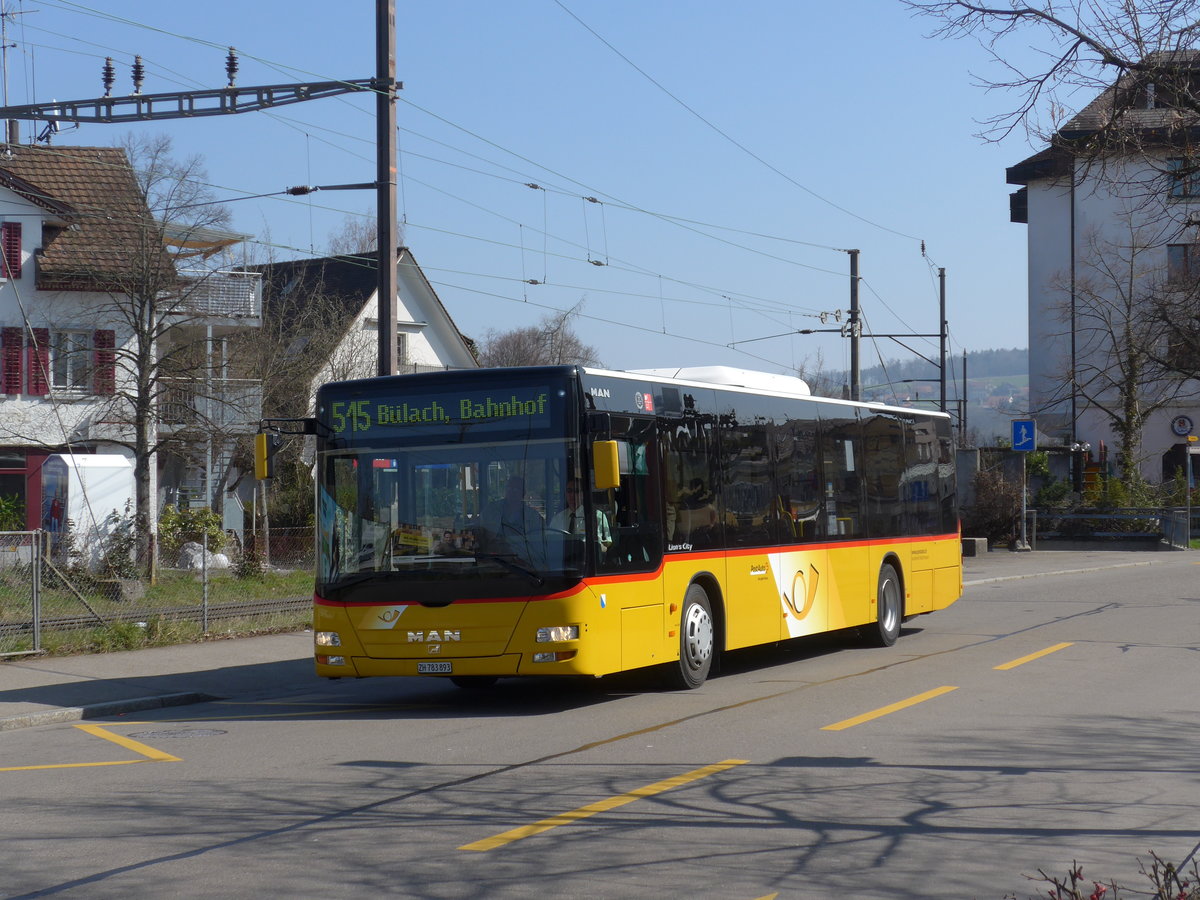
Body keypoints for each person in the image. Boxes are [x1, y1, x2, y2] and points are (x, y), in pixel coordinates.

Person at [550, 478, 612, 554]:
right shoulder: (557, 519)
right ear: (565, 494)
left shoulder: (597, 516)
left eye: (576, 491)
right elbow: (549, 544)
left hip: (588, 561)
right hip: (561, 562)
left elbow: (606, 545)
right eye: (569, 491)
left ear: (582, 494)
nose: (572, 495)